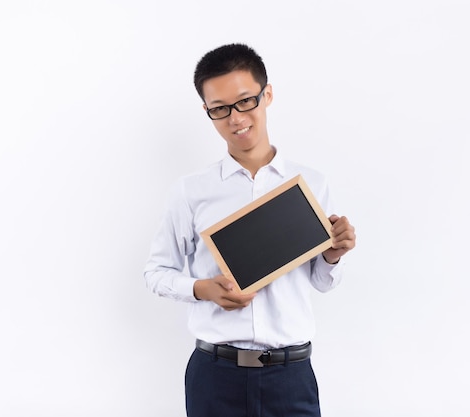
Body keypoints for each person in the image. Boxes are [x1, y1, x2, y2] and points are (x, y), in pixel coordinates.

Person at [144, 43, 356, 417]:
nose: (236, 118)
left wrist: (332, 255)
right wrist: (202, 289)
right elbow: (156, 272)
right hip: (215, 375)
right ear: (207, 111)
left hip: (291, 375)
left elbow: (322, 283)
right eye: (220, 109)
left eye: (245, 101)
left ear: (267, 94)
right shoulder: (192, 191)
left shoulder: (310, 184)